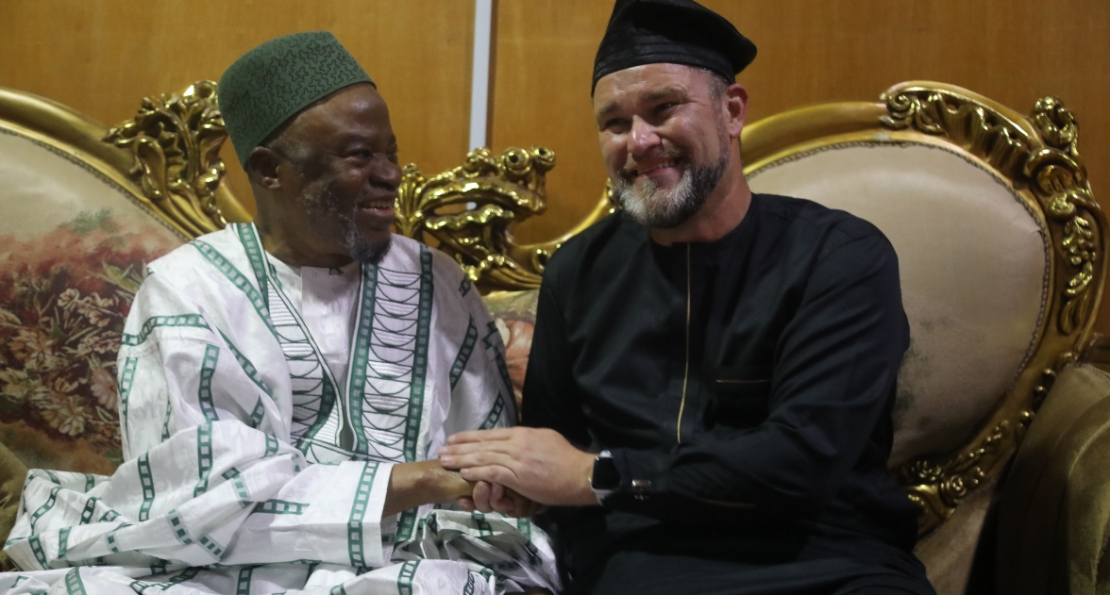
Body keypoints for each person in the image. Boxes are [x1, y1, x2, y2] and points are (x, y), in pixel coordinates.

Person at [1, 32, 557, 595]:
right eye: (359, 156)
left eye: (390, 152)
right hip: (219, 568)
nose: (390, 174)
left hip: (412, 556)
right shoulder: (190, 290)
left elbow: (490, 469)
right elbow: (198, 501)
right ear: (270, 170)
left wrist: (490, 488)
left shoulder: (436, 282)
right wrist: (419, 481)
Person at [439, 1, 936, 593]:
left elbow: (804, 459)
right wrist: (522, 486)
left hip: (832, 556)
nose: (639, 140)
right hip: (646, 561)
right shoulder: (578, 272)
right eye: (614, 123)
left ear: (732, 110)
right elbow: (556, 448)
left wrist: (598, 476)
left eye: (664, 109)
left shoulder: (839, 257)